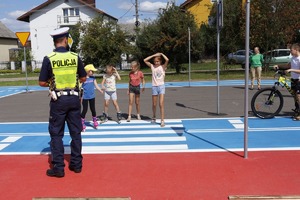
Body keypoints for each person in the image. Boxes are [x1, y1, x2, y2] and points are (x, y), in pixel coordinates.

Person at [39, 27, 87, 178]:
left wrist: (51, 84)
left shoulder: (49, 58)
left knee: (56, 134)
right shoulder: (75, 56)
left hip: (58, 100)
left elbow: (41, 82)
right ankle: (77, 165)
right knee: (76, 132)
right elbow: (84, 78)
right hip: (74, 99)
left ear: (54, 42)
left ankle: (59, 168)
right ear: (66, 40)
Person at [274, 43, 300, 120]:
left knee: (298, 96)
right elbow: (288, 65)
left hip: (299, 79)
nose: (290, 52)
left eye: (291, 50)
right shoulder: (293, 58)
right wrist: (278, 66)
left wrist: (291, 70)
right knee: (295, 96)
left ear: (296, 50)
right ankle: (297, 110)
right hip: (294, 79)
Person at [144, 52, 169, 127]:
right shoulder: (152, 66)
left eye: (158, 61)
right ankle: (154, 116)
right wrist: (154, 55)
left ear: (160, 61)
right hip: (154, 86)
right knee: (154, 104)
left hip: (161, 86)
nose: (156, 63)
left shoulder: (163, 67)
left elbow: (167, 59)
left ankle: (162, 120)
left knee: (161, 104)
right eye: (155, 61)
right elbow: (145, 60)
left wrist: (161, 54)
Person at [80, 64, 103, 130]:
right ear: (87, 71)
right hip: (85, 97)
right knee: (85, 109)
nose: (93, 72)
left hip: (92, 96)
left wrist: (100, 90)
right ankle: (82, 122)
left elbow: (96, 85)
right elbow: (80, 87)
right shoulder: (83, 79)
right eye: (92, 71)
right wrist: (80, 97)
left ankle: (95, 121)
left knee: (93, 109)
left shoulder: (93, 78)